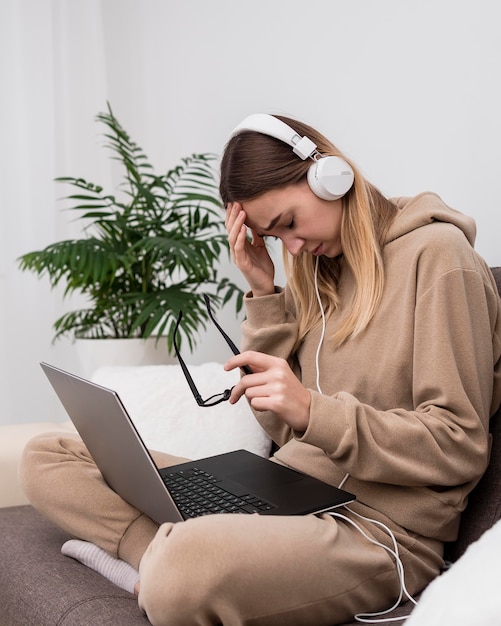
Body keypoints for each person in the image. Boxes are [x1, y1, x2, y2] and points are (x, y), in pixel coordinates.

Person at [20, 113, 501, 626]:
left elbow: (459, 444)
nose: (292, 247)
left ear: (329, 175)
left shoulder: (440, 260)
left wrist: (316, 411)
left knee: (185, 569)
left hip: (375, 533)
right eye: (274, 237)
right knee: (48, 456)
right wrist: (264, 292)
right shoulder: (323, 273)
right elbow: (284, 427)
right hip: (283, 492)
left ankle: (158, 559)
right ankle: (161, 553)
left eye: (289, 223)